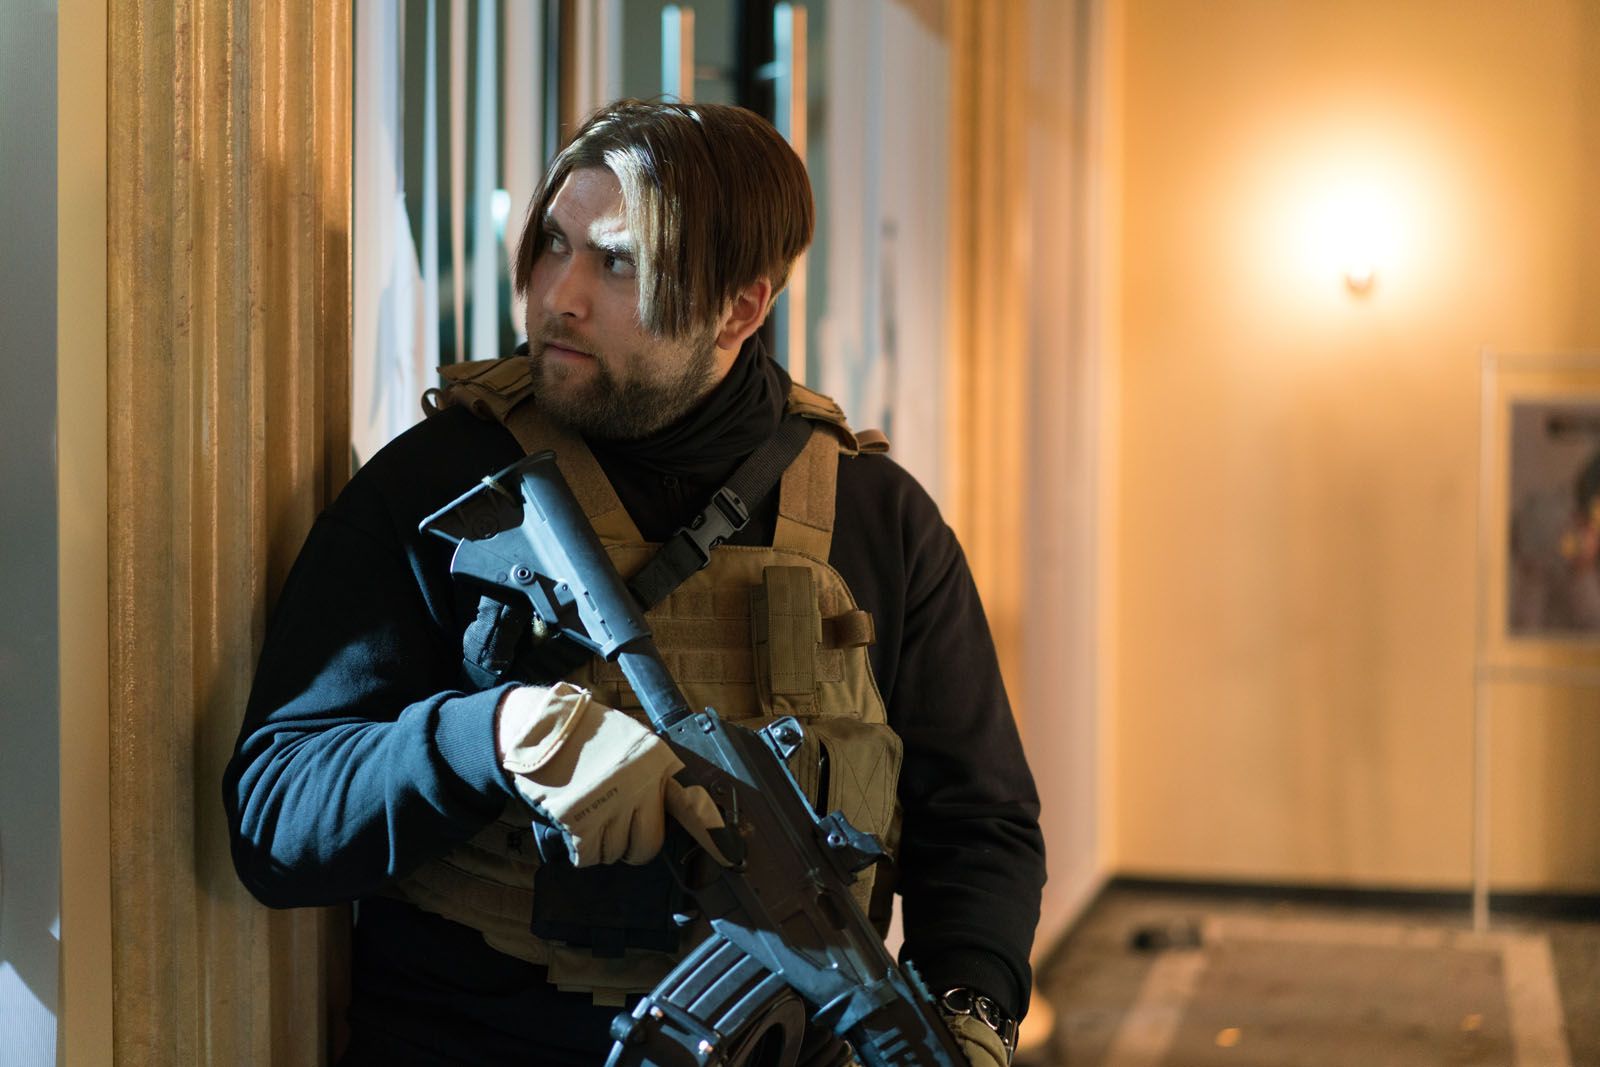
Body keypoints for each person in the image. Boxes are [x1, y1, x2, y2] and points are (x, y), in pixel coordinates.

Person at [224, 99, 1045, 1066]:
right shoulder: (445, 483)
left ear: (740, 309)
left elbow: (979, 826)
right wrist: (493, 737)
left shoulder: (877, 519)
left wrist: (972, 1015)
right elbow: (275, 817)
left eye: (618, 263)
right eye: (554, 243)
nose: (558, 295)